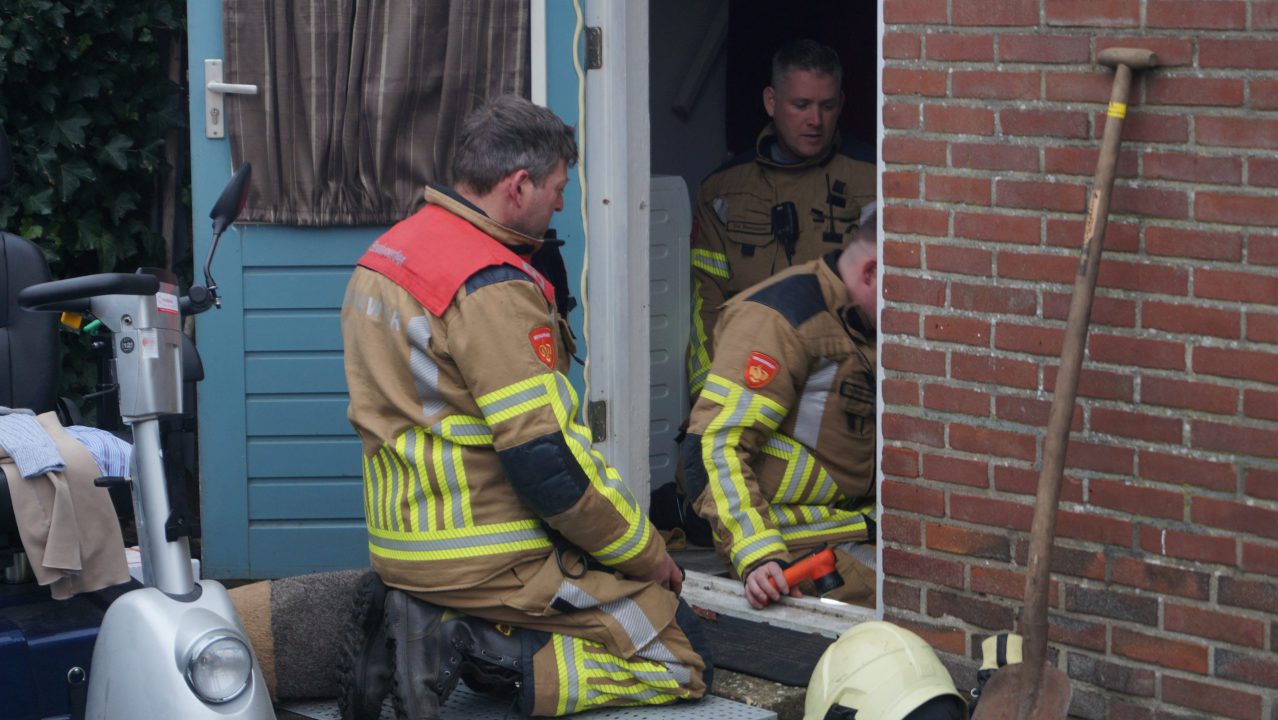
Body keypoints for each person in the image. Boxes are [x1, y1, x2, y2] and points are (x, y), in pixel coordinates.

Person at [338, 94, 710, 720]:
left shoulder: (390, 253)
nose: (561, 204)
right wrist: (648, 554)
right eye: (558, 188)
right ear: (518, 185)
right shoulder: (490, 286)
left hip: (403, 543)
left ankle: (426, 617)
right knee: (681, 654)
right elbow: (547, 467)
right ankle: (472, 646)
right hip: (489, 552)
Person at [680, 204, 879, 611]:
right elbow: (711, 448)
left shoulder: (857, 316)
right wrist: (758, 553)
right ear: (871, 273)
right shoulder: (779, 318)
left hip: (851, 526)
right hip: (785, 541)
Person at [687, 38, 876, 399]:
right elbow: (704, 300)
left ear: (842, 105)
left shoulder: (875, 179)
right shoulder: (723, 189)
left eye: (828, 105)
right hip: (748, 379)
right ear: (771, 102)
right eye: (801, 105)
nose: (816, 120)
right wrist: (707, 393)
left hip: (840, 392)